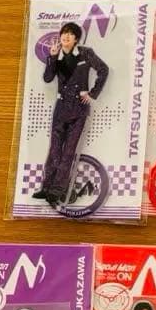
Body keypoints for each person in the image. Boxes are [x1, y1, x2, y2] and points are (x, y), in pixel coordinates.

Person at [34, 22, 109, 204]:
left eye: (70, 34)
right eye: (64, 33)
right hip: (61, 107)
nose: (66, 36)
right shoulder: (57, 55)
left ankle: (57, 189)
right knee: (54, 149)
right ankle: (46, 187)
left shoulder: (85, 53)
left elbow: (103, 69)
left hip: (79, 108)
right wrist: (52, 58)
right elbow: (48, 78)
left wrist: (93, 93)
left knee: (68, 151)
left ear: (76, 39)